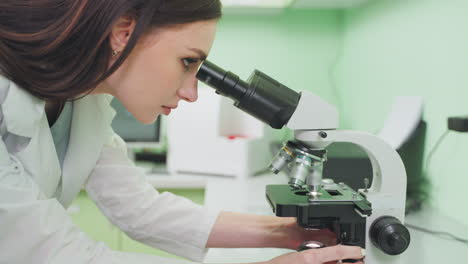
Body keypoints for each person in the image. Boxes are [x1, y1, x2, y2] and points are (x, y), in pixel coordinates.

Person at [0, 1, 365, 263]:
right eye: (187, 62)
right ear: (124, 32)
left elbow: (141, 209)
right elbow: (59, 255)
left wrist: (284, 232)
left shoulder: (84, 104)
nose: (192, 93)